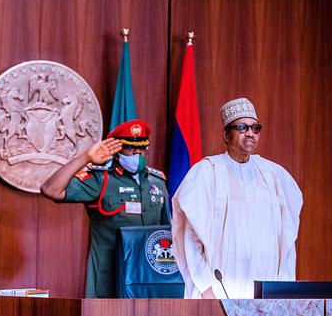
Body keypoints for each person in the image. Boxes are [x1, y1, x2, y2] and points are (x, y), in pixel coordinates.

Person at [171, 98, 303, 299]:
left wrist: (283, 289)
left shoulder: (275, 175)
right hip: (218, 290)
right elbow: (189, 239)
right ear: (225, 134)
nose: (250, 133)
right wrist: (206, 288)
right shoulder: (205, 173)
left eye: (255, 128)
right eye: (242, 127)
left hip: (265, 292)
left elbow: (286, 240)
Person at [41, 120, 172, 298]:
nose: (137, 153)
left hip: (148, 276)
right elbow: (51, 190)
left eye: (141, 148)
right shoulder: (101, 180)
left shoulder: (157, 182)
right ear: (116, 151)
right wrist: (85, 157)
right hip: (110, 275)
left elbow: (166, 232)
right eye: (130, 148)